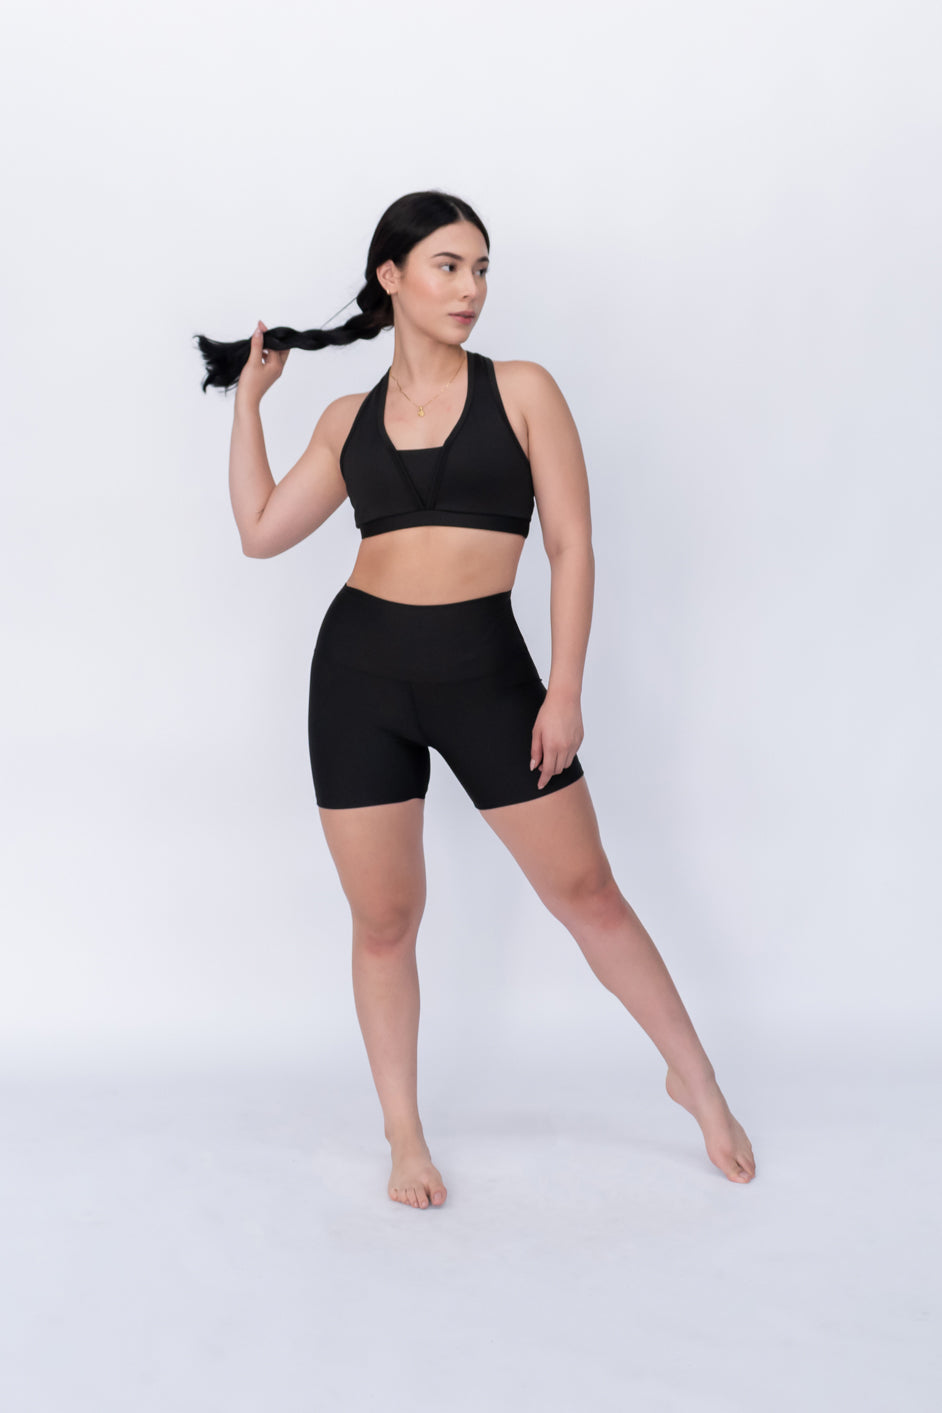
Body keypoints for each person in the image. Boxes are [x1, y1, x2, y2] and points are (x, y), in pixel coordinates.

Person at [196, 189, 756, 1209]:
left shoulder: (524, 390)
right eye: (448, 266)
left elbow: (572, 545)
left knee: (588, 892)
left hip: (488, 676)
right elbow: (262, 530)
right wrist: (248, 408)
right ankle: (404, 1136)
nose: (471, 288)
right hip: (359, 678)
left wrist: (565, 689)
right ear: (392, 277)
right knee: (384, 921)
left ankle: (698, 1083)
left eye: (482, 268)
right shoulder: (347, 419)